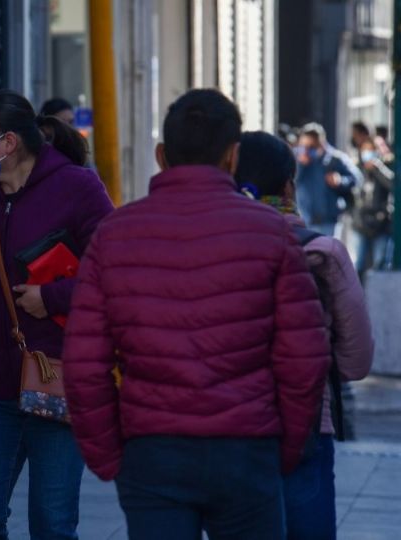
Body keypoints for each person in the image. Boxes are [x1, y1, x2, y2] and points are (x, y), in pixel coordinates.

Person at [62, 89, 331, 539]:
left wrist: (107, 454)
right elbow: (304, 359)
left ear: (162, 154)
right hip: (247, 447)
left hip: (152, 449)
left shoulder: (115, 234)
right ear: (233, 155)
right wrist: (284, 449)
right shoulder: (271, 234)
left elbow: (84, 361)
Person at [0, 89, 114, 539]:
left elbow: (113, 268)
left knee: (52, 524)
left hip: (57, 377)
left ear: (8, 142)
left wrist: (51, 298)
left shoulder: (77, 188)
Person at [236, 130, 374, 539]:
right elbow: (357, 360)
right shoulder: (323, 253)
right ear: (289, 186)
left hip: (230, 424)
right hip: (309, 421)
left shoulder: (213, 248)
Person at [294, 122, 363, 236]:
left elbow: (357, 178)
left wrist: (341, 180)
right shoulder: (298, 160)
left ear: (321, 142)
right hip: (305, 220)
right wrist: (301, 164)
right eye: (304, 146)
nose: (307, 150)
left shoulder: (335, 159)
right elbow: (292, 182)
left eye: (311, 146)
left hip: (328, 221)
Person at [348, 122, 394, 278]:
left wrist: (377, 169)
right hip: (361, 223)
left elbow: (393, 185)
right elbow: (350, 189)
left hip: (380, 223)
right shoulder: (356, 168)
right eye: (365, 151)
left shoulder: (384, 168)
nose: (368, 155)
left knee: (379, 264)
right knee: (359, 264)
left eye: (371, 151)